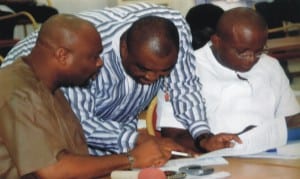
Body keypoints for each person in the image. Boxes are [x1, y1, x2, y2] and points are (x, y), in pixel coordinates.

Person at [2, 2, 208, 156]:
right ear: (124, 47)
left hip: (98, 128)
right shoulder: (81, 59)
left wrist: (202, 135)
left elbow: (185, 86)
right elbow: (78, 129)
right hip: (51, 124)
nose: (152, 78)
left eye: (163, 73)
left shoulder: (173, 30)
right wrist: (136, 144)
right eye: (143, 68)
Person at [0, 14, 171, 178]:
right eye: (93, 56)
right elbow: (53, 171)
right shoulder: (18, 92)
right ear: (62, 56)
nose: (100, 63)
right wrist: (131, 159)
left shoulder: (52, 88)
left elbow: (74, 158)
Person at [157, 7, 300, 152]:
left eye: (259, 52)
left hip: (271, 156)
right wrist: (209, 143)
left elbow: (290, 119)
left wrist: (260, 136)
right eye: (242, 53)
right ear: (216, 42)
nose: (251, 59)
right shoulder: (184, 71)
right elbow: (173, 135)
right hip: (215, 161)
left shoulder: (270, 65)